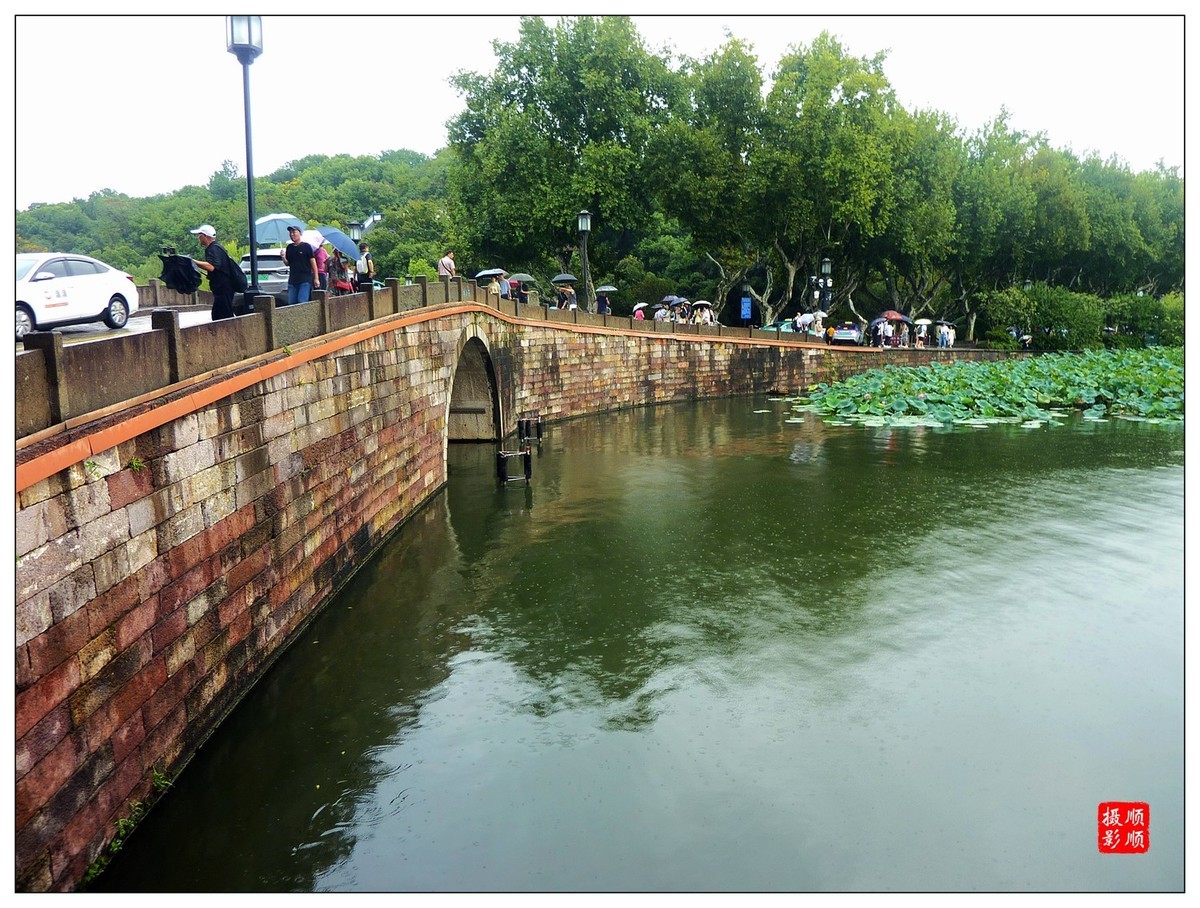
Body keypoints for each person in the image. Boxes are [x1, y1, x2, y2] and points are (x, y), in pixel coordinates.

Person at [189, 224, 237, 321]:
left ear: (205, 236)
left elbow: (211, 266)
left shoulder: (213, 248)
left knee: (222, 317)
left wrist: (193, 261)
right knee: (219, 314)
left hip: (223, 289)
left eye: (200, 235)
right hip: (224, 288)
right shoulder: (217, 248)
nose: (198, 237)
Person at [283, 226, 319, 305]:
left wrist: (316, 278)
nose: (292, 234)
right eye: (290, 233)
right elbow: (288, 263)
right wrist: (283, 257)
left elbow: (313, 263)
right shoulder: (289, 248)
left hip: (305, 279)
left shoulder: (306, 246)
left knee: (301, 302)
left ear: (300, 233)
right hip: (292, 280)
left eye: (294, 232)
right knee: (291, 303)